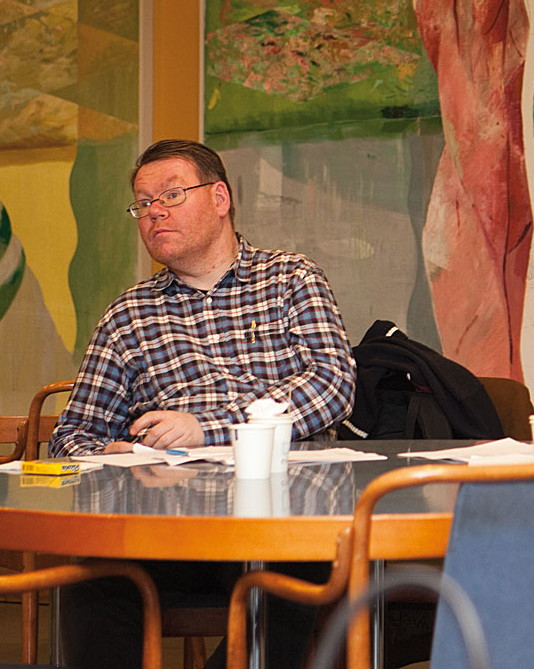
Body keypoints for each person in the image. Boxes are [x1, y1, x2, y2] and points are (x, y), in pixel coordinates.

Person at [51, 139, 357, 669]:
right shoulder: (128, 315)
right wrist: (109, 453)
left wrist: (206, 428)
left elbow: (333, 387)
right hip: (167, 521)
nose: (154, 212)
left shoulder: (291, 279)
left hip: (279, 514)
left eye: (171, 195)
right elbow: (69, 437)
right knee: (93, 581)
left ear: (220, 198)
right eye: (143, 203)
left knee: (292, 575)